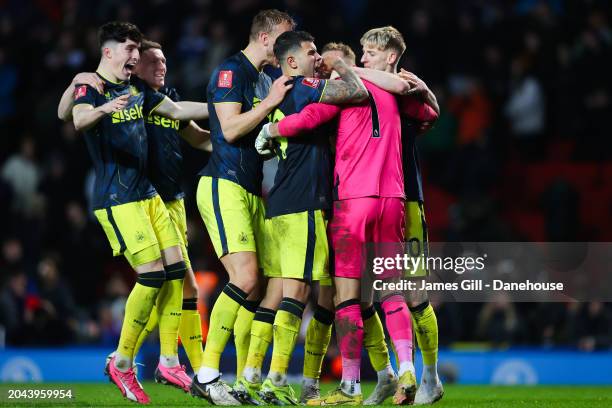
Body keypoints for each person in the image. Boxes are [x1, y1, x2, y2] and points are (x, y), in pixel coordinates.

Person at [257, 27, 438, 405]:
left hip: (352, 203)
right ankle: (407, 368)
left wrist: (271, 128)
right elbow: (429, 112)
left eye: (369, 52)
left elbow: (307, 120)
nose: (365, 56)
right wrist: (421, 87)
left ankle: (351, 385)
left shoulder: (341, 93)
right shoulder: (395, 92)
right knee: (394, 291)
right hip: (395, 201)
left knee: (347, 297)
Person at [58, 21, 208, 404]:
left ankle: (168, 360)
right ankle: (123, 362)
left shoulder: (136, 90)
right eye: (129, 50)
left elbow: (177, 109)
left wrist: (224, 109)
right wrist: (102, 107)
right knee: (153, 276)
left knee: (177, 274)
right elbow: (76, 119)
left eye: (137, 52)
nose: (135, 58)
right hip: (117, 198)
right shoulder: (93, 86)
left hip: (150, 195)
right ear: (108, 51)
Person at [235, 31, 368, 406]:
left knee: (275, 293)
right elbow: (356, 91)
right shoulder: (305, 84)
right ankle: (277, 379)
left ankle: (250, 378)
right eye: (312, 53)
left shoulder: (277, 95)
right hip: (304, 203)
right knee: (298, 293)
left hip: (279, 202)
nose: (318, 59)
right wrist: (342, 65)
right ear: (291, 61)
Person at [191, 9, 295, 405]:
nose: (287, 48)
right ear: (266, 38)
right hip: (223, 184)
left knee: (269, 286)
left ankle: (243, 379)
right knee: (247, 277)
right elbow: (231, 129)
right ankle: (207, 373)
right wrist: (270, 103)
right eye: (284, 39)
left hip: (251, 190)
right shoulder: (231, 72)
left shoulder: (264, 78)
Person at [359, 26, 443, 405]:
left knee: (414, 293)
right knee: (367, 294)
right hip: (365, 201)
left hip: (406, 201)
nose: (363, 59)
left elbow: (430, 111)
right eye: (361, 54)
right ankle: (388, 374)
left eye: (370, 54)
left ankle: (431, 377)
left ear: (390, 56)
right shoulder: (362, 88)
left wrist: (424, 88)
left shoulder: (405, 91)